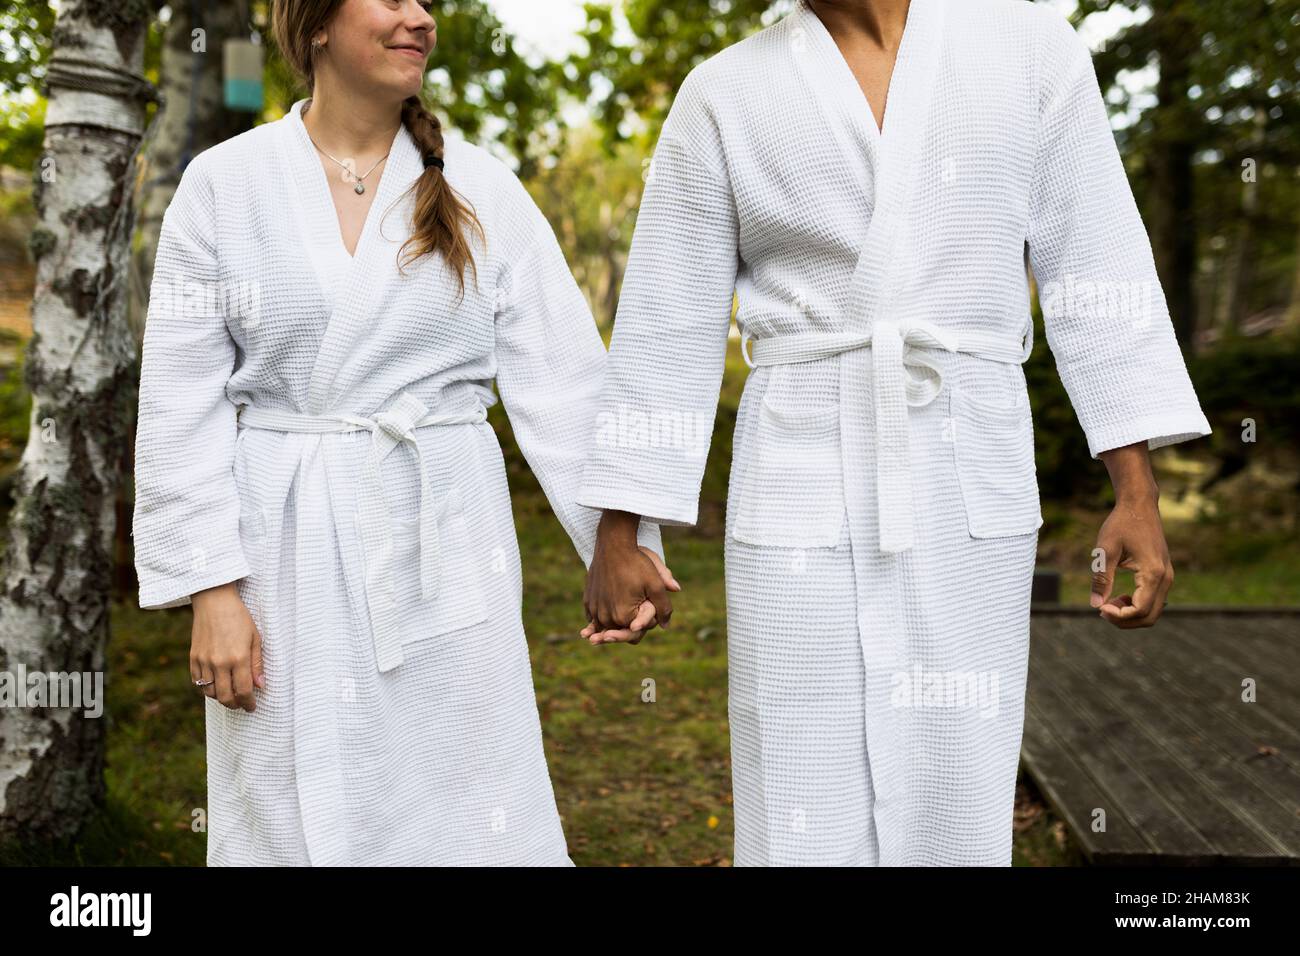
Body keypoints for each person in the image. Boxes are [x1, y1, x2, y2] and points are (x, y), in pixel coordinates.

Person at [577, 0, 1211, 865]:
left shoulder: (1030, 51)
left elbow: (1094, 263)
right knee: (797, 760)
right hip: (797, 472)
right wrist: (622, 528)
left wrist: (1135, 489)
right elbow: (665, 319)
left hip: (965, 465)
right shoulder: (722, 93)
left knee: (959, 759)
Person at [131, 0, 671, 865]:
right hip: (284, 552)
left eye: (425, 3)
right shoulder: (224, 184)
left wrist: (619, 535)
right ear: (313, 25)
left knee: (468, 791)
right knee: (287, 799)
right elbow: (178, 403)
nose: (418, 17)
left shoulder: (477, 186)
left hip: (446, 536)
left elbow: (564, 378)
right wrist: (211, 590)